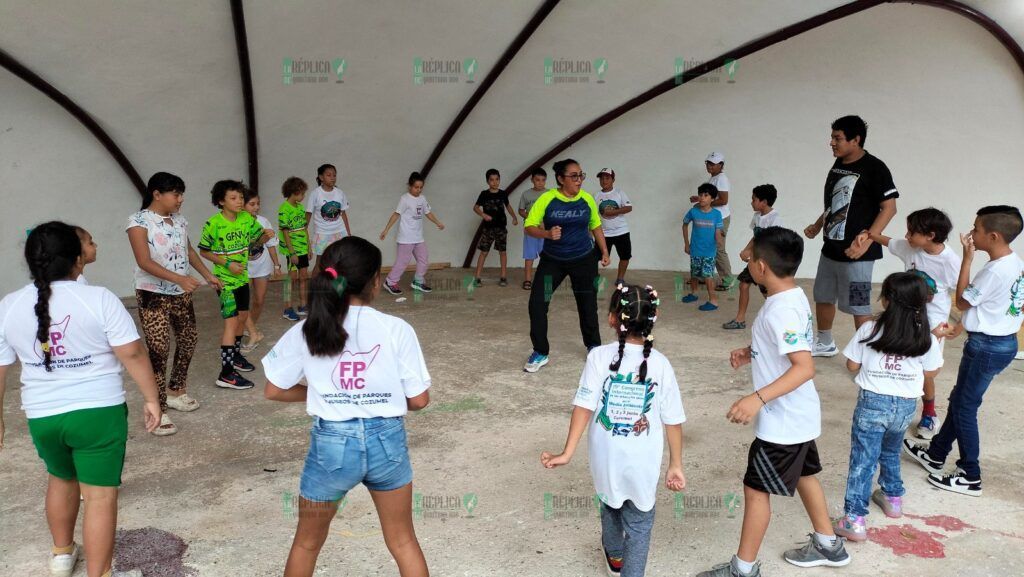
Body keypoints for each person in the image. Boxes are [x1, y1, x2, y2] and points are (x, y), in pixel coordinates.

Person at [262, 236, 430, 577]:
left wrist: (320, 395)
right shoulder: (396, 328)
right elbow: (419, 400)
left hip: (332, 445)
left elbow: (274, 390)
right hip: (388, 442)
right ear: (375, 282)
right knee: (403, 542)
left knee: (307, 544)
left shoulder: (306, 329)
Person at [0, 221, 161, 577]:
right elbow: (132, 354)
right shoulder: (99, 298)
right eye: (87, 244)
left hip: (43, 416)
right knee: (100, 496)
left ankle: (61, 555)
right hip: (97, 413)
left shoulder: (9, 305)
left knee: (60, 477)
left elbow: (0, 368)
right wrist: (152, 399)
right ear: (76, 259)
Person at [698, 227, 850, 577]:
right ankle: (828, 544)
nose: (747, 262)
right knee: (805, 475)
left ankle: (744, 569)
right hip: (798, 415)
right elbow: (784, 349)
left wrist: (756, 398)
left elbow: (804, 367)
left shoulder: (781, 310)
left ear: (761, 267)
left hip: (783, 419)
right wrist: (752, 353)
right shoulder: (791, 296)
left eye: (750, 258)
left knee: (755, 489)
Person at [541, 283, 685, 577]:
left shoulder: (598, 357)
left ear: (611, 319)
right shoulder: (661, 364)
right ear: (652, 321)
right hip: (643, 464)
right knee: (640, 525)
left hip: (606, 459)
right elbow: (673, 419)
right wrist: (676, 464)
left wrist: (567, 452)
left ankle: (615, 556)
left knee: (610, 505)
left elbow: (584, 406)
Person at [904, 205, 1024, 497]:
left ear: (993, 236)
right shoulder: (1015, 262)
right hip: (1000, 342)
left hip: (986, 347)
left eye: (977, 230)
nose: (971, 234)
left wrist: (967, 260)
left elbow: (961, 302)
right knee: (960, 400)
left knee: (965, 408)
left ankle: (970, 474)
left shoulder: (993, 271)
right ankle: (936, 453)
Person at [834, 272, 942, 542]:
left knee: (863, 460)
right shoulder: (925, 335)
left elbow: (851, 365)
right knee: (891, 450)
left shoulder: (870, 328)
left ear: (888, 300)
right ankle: (893, 498)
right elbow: (932, 371)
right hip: (905, 406)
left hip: (873, 403)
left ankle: (854, 519)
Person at [127, 172, 222, 434]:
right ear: (157, 194)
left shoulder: (179, 221)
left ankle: (176, 391)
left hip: (180, 292)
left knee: (189, 339)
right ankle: (159, 408)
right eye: (176, 194)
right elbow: (144, 261)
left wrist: (208, 275)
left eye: (181, 194)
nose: (180, 199)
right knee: (158, 349)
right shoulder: (138, 221)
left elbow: (188, 251)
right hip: (152, 293)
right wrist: (180, 279)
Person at [804, 115, 899, 357]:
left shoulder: (875, 168)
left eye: (838, 138)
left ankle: (867, 355)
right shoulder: (838, 166)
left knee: (859, 304)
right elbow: (836, 203)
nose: (832, 143)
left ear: (855, 140)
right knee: (823, 296)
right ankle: (825, 342)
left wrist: (867, 240)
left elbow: (889, 208)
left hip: (858, 255)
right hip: (830, 249)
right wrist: (817, 225)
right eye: (832, 137)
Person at [868, 208, 960, 439]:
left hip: (933, 325)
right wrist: (867, 234)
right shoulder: (911, 247)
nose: (906, 236)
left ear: (930, 235)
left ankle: (929, 412)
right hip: (905, 317)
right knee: (903, 364)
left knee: (926, 371)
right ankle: (897, 408)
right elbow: (887, 240)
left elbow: (964, 296)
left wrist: (956, 328)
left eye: (912, 232)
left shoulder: (950, 262)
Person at [523, 159, 610, 373]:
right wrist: (546, 234)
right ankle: (540, 351)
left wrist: (605, 252)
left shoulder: (587, 199)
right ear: (561, 179)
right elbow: (529, 226)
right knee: (537, 302)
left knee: (587, 303)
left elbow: (596, 226)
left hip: (583, 260)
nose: (579, 180)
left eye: (581, 175)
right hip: (553, 261)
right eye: (573, 176)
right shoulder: (547, 199)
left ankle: (593, 348)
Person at [198, 180, 272, 391]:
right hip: (225, 283)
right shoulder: (213, 224)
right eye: (234, 198)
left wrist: (265, 238)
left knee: (241, 318)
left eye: (241, 197)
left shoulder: (246, 219)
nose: (239, 201)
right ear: (221, 201)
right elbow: (204, 251)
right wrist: (228, 263)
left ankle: (236, 356)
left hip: (242, 279)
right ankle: (226, 373)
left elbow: (255, 243)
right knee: (231, 324)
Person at [723, 184, 781, 330]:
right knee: (743, 285)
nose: (751, 202)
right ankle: (740, 320)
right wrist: (746, 250)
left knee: (768, 293)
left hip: (767, 263)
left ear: (764, 202)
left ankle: (781, 319)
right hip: (756, 261)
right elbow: (755, 237)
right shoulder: (757, 216)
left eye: (754, 199)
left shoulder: (774, 218)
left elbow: (773, 242)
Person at [380, 171, 445, 295]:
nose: (418, 190)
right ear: (410, 186)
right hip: (406, 237)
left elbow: (428, 212)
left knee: (423, 258)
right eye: (416, 187)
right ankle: (390, 281)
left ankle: (418, 281)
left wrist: (437, 222)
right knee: (403, 261)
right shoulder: (404, 199)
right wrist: (386, 229)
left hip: (418, 237)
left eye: (421, 187)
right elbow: (396, 214)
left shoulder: (422, 198)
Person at [242, 187, 281, 353]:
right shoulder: (238, 223)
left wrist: (277, 265)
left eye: (258, 204)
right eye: (252, 204)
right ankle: (251, 331)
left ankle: (251, 325)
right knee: (243, 301)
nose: (256, 207)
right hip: (242, 268)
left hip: (262, 267)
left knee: (259, 300)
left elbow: (271, 245)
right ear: (242, 205)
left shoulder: (264, 221)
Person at [690, 152, 734, 290]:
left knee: (718, 248)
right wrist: (699, 200)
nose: (709, 166)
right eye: (708, 163)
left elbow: (723, 200)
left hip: (719, 218)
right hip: (712, 218)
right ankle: (704, 275)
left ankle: (728, 279)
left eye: (712, 164)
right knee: (707, 245)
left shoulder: (721, 179)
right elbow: (713, 197)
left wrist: (703, 204)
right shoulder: (714, 178)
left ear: (721, 165)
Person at [681, 183, 724, 311]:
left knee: (707, 275)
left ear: (712, 199)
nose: (702, 198)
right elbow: (684, 225)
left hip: (709, 251)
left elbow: (718, 230)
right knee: (694, 273)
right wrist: (686, 243)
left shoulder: (717, 214)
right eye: (700, 195)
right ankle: (694, 293)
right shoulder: (693, 211)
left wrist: (719, 239)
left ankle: (713, 300)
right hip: (695, 249)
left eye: (706, 195)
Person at [473, 168, 518, 287]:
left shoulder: (503, 193)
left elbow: (508, 206)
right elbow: (476, 207)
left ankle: (503, 277)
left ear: (499, 180)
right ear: (487, 181)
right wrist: (483, 214)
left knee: (502, 252)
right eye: (492, 180)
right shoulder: (484, 194)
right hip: (488, 228)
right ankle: (477, 277)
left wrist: (514, 217)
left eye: (497, 179)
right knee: (484, 252)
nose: (495, 182)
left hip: (501, 228)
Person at [305, 163, 351, 268]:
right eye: (329, 175)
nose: (332, 178)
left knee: (339, 262)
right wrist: (304, 236)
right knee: (320, 263)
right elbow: (308, 215)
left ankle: (335, 284)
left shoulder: (340, 193)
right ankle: (315, 284)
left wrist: (348, 233)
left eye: (334, 175)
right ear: (321, 177)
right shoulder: (315, 194)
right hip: (322, 234)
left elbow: (343, 214)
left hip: (339, 232)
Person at [594, 168, 634, 285]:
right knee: (595, 258)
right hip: (603, 233)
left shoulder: (619, 192)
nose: (604, 181)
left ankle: (620, 279)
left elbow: (629, 207)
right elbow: (593, 215)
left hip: (621, 231)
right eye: (601, 178)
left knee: (625, 256)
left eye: (607, 178)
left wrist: (613, 212)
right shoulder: (596, 195)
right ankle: (594, 277)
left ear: (613, 180)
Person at [279, 177, 311, 321]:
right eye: (302, 193)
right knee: (290, 280)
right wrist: (292, 252)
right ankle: (287, 308)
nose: (303, 196)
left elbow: (304, 229)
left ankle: (303, 305)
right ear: (294, 192)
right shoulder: (284, 210)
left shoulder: (300, 207)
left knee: (304, 277)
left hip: (303, 249)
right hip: (292, 251)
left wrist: (309, 247)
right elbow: (285, 232)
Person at [518, 168, 548, 290]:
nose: (540, 182)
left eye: (543, 180)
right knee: (529, 255)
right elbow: (521, 211)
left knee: (546, 256)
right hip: (530, 229)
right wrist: (532, 219)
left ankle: (545, 280)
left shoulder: (550, 194)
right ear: (532, 180)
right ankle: (527, 280)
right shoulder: (526, 194)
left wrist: (545, 223)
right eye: (537, 180)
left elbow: (554, 211)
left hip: (545, 231)